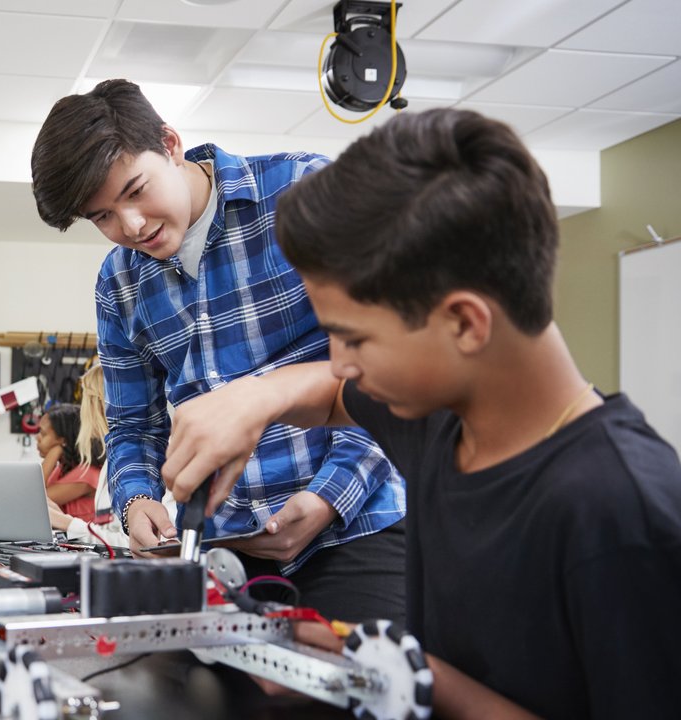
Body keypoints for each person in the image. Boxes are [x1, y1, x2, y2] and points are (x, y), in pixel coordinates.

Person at [160, 108, 681, 718]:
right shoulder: (439, 421)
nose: (340, 363)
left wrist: (412, 672)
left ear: (463, 322)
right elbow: (332, 396)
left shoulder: (620, 509)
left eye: (354, 339)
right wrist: (256, 396)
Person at [30, 79, 407, 623]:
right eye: (102, 217)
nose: (130, 226)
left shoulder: (304, 190)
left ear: (170, 142)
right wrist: (137, 501)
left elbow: (395, 372)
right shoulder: (118, 283)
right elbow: (133, 425)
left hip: (356, 526)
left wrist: (329, 498)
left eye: (135, 191)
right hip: (222, 550)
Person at [46, 363, 177, 546]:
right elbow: (111, 533)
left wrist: (67, 524)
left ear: (95, 404)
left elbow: (145, 543)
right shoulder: (113, 462)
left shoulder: (157, 457)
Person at [36, 403, 102, 522]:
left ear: (63, 440)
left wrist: (54, 452)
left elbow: (35, 500)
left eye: (43, 433)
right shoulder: (63, 467)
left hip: (83, 539)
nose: (37, 438)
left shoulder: (86, 474)